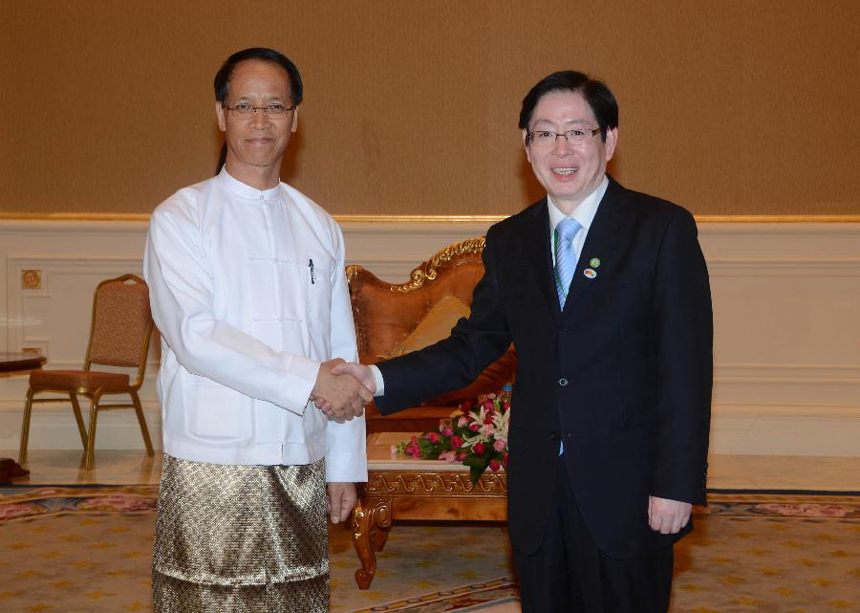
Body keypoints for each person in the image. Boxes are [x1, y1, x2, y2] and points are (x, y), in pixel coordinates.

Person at [331, 71, 712, 612]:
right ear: (526, 146)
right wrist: (376, 378)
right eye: (544, 132)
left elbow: (686, 369)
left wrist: (675, 484)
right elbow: (473, 344)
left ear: (609, 141)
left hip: (627, 489)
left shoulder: (660, 230)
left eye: (578, 131)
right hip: (538, 488)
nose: (562, 148)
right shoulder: (510, 241)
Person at [144, 47, 369, 613]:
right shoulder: (181, 216)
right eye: (244, 105)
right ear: (221, 116)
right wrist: (309, 378)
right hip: (213, 456)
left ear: (295, 118)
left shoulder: (318, 224)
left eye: (275, 105)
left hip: (301, 450)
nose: (260, 120)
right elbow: (196, 336)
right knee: (207, 600)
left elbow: (340, 352)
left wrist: (343, 465)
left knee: (295, 598)